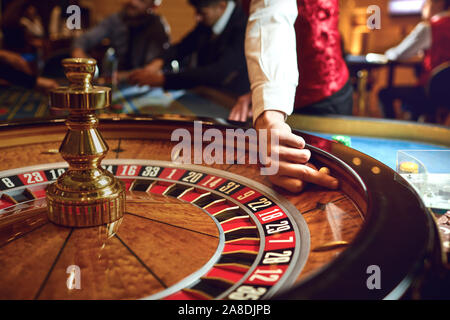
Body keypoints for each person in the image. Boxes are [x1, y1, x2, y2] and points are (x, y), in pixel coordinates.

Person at [229, 0, 345, 193]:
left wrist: (268, 112)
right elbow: (267, 13)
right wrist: (262, 99)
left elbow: (273, 12)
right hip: (271, 100)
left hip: (325, 94)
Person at [229, 0, 353, 122]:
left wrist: (269, 100)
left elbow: (272, 16)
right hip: (278, 94)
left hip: (325, 94)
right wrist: (260, 92)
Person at [128, 0, 250, 96]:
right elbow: (183, 47)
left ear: (221, 6)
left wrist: (163, 79)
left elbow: (218, 72)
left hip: (233, 100)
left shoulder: (244, 25)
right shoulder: (209, 20)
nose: (197, 18)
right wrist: (156, 64)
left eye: (202, 13)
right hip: (207, 94)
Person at [378, 0, 450, 120]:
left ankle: (392, 135)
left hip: (431, 91)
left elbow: (398, 54)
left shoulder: (429, 27)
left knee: (384, 94)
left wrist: (386, 53)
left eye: (426, 3)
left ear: (439, 3)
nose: (422, 8)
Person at [71, 0, 170, 72]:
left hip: (146, 83)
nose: (133, 2)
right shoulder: (115, 19)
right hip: (116, 79)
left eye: (142, 1)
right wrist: (80, 57)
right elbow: (83, 40)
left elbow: (157, 64)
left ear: (153, 7)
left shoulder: (157, 26)